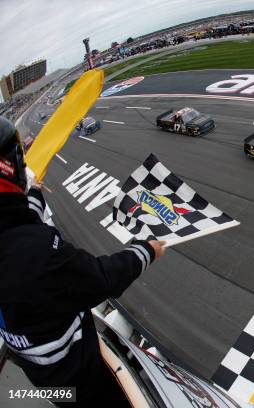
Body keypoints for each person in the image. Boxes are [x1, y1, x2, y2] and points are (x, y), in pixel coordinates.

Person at [0, 115, 166, 407]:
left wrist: (34, 193)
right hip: (78, 378)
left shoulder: (20, 242)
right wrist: (147, 250)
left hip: (39, 375)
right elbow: (103, 278)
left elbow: (15, 225)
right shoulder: (38, 253)